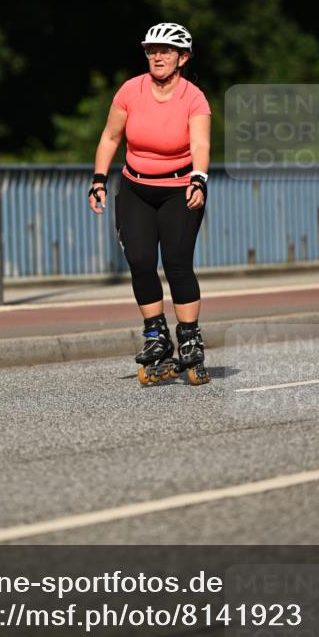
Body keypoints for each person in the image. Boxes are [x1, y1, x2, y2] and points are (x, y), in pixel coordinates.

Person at [88, 22, 211, 384]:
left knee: (176, 263)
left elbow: (201, 144)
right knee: (140, 260)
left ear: (182, 57)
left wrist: (199, 178)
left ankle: (189, 337)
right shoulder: (130, 90)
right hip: (136, 189)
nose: (157, 56)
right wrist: (98, 180)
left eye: (166, 51)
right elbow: (110, 137)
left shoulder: (193, 97)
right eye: (152, 50)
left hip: (180, 190)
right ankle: (156, 335)